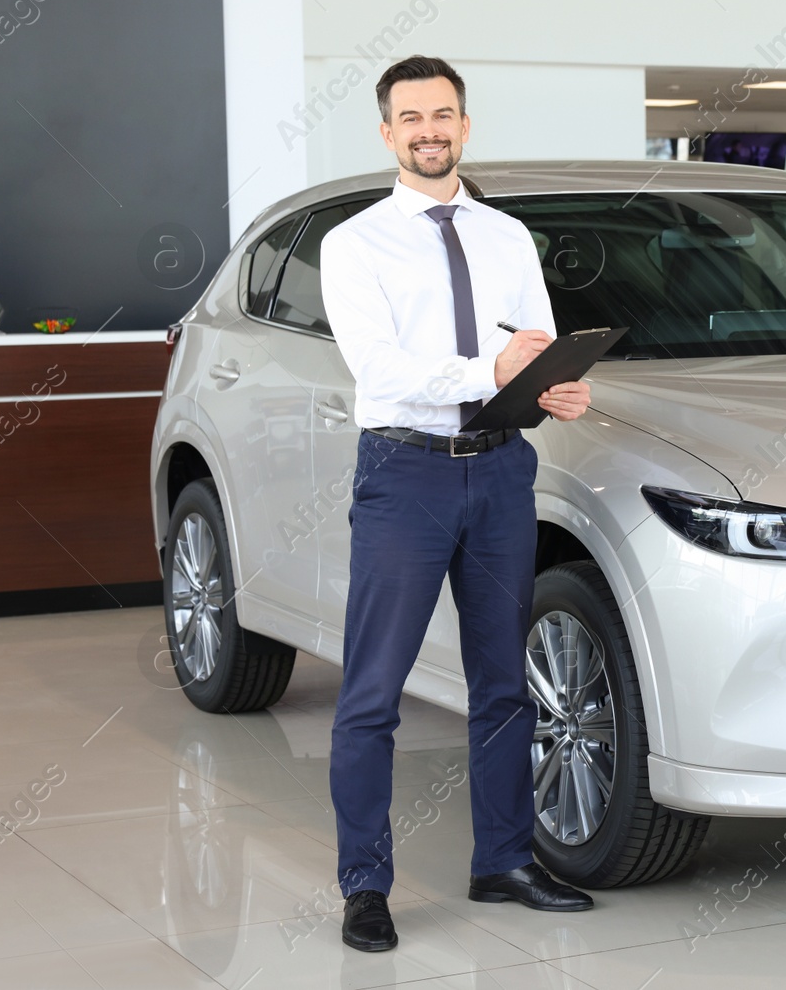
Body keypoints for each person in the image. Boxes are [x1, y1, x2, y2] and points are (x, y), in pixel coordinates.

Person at [320, 54, 594, 953]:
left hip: (501, 471)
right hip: (406, 475)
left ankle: (504, 861)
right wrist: (492, 370)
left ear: (465, 127)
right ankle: (365, 884)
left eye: (444, 115)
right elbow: (381, 369)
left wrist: (557, 386)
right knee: (372, 694)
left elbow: (535, 344)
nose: (429, 130)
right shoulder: (354, 243)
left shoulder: (508, 236)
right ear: (388, 132)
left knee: (505, 683)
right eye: (411, 117)